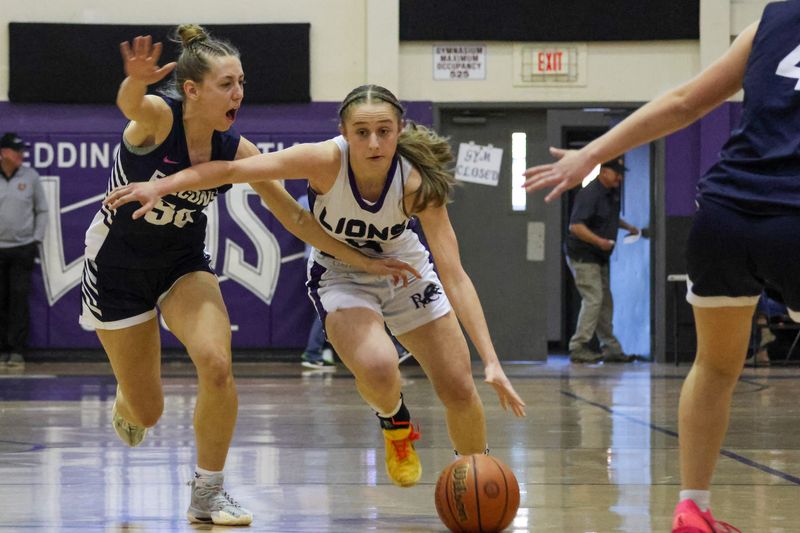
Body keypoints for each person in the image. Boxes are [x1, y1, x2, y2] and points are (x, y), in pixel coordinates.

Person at [104, 83, 527, 490]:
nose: (374, 143)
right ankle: (395, 423)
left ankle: (473, 480)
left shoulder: (415, 182)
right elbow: (232, 169)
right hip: (342, 272)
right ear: (344, 133)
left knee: (458, 385)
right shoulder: (324, 160)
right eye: (362, 133)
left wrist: (490, 359)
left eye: (384, 132)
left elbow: (454, 273)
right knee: (379, 367)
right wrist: (160, 184)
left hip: (404, 270)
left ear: (399, 130)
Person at [83, 29, 418, 526]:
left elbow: (297, 219)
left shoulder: (238, 149)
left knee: (217, 364)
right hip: (117, 270)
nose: (238, 93)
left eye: (241, 82)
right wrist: (133, 83)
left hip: (182, 265)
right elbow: (132, 105)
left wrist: (365, 261)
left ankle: (208, 493)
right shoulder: (159, 117)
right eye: (226, 83)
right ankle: (130, 398)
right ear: (192, 90)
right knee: (147, 411)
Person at [522, 3, 797, 531]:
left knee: (715, 368)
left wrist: (590, 154)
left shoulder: (773, 20)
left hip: (724, 213)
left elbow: (683, 102)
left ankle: (692, 507)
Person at [565, 157, 639, 363]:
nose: (620, 178)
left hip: (599, 257)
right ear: (604, 172)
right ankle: (578, 346)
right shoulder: (590, 193)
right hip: (583, 255)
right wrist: (599, 242)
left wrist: (629, 228)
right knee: (594, 298)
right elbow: (576, 227)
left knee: (605, 302)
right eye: (617, 173)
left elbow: (609, 218)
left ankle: (611, 349)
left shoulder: (611, 194)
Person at [0, 132, 48, 369]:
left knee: (19, 299)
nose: (21, 154)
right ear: (3, 153)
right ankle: (1, 351)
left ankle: (17, 351)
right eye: (16, 150)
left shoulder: (30, 177)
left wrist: (35, 239)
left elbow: (42, 210)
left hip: (21, 249)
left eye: (22, 150)